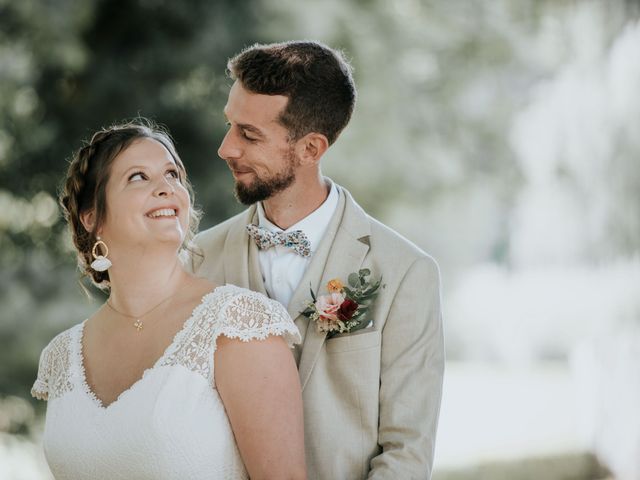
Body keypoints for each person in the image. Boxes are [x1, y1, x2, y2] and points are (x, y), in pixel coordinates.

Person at [190, 41, 445, 479]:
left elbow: (407, 453)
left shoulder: (405, 273)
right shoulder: (196, 261)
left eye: (249, 134)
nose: (226, 149)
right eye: (230, 125)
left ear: (311, 149)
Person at [31, 120, 307, 480]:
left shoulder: (237, 323)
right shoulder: (61, 355)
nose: (165, 188)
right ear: (92, 217)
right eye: (138, 177)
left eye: (173, 175)